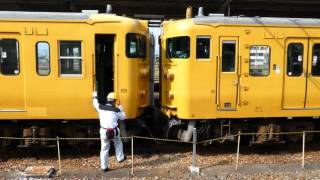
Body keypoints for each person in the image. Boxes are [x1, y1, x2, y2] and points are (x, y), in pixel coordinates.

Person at [93, 92, 126, 172]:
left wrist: (94, 96)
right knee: (118, 143)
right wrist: (121, 109)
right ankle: (120, 158)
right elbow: (123, 117)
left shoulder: (100, 107)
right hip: (114, 131)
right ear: (114, 101)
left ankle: (104, 167)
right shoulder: (116, 110)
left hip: (104, 131)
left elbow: (95, 103)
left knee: (104, 149)